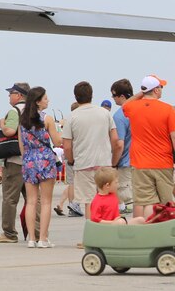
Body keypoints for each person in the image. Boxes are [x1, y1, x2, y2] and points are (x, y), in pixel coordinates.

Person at [62, 80, 118, 225]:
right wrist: (113, 159)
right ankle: (109, 228)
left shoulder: (72, 117)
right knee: (108, 197)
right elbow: (115, 139)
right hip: (104, 162)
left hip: (83, 164)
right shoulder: (105, 113)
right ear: (91, 95)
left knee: (90, 201)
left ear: (76, 97)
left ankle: (91, 232)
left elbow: (67, 146)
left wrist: (71, 160)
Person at [121, 74, 175, 218]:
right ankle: (165, 228)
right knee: (166, 202)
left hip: (140, 163)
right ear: (156, 90)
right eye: (161, 87)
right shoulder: (168, 109)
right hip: (163, 162)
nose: (162, 89)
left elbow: (124, 105)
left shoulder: (133, 107)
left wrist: (142, 92)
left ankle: (148, 227)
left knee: (147, 202)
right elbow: (174, 137)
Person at [18, 86, 61, 248]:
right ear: (38, 101)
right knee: (46, 202)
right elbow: (57, 142)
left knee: (30, 201)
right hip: (45, 159)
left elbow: (21, 145)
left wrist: (27, 159)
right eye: (45, 98)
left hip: (29, 159)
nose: (47, 100)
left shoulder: (22, 121)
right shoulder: (47, 119)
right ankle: (43, 238)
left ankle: (31, 239)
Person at [0, 82, 29, 243]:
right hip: (32, 161)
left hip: (15, 161)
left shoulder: (15, 111)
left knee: (10, 199)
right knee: (33, 199)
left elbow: (10, 131)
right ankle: (36, 232)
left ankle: (9, 233)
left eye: (11, 93)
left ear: (19, 95)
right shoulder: (35, 111)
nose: (9, 96)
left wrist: (2, 123)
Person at [109, 78, 133, 208]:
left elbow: (119, 144)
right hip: (143, 161)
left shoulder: (119, 116)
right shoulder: (141, 109)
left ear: (122, 96)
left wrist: (114, 163)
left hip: (125, 163)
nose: (113, 98)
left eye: (114, 95)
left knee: (128, 203)